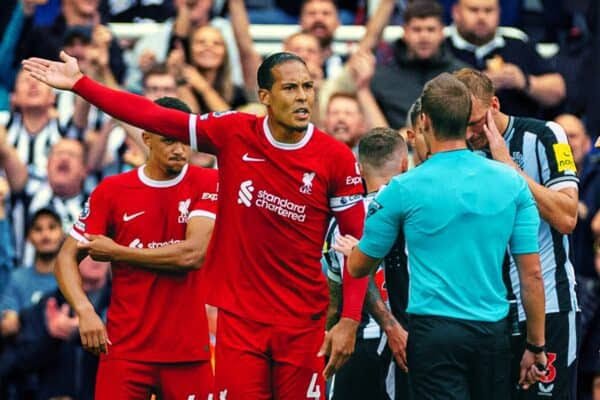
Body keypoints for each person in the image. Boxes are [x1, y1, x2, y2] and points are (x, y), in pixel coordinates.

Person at [23, 50, 368, 399]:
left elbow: (357, 243)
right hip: (240, 320)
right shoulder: (232, 132)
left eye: (308, 87)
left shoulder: (335, 158)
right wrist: (81, 84)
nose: (302, 97)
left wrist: (350, 319)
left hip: (302, 321)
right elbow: (152, 115)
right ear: (264, 96)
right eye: (291, 88)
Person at [347, 73, 547, 400]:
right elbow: (532, 275)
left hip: (433, 333)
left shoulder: (402, 188)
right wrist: (535, 344)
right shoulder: (512, 184)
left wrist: (352, 248)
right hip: (492, 331)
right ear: (469, 121)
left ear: (423, 121)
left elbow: (359, 267)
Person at [55, 96, 218, 399]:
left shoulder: (208, 182)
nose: (179, 149)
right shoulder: (113, 191)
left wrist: (118, 252)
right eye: (169, 140)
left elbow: (192, 255)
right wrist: (85, 310)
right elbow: (65, 257)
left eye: (184, 140)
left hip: (187, 350)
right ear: (146, 138)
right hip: (126, 349)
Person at [454, 68, 579, 399]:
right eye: (460, 124)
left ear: (494, 104)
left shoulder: (546, 135)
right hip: (484, 313)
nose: (469, 133)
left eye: (476, 122)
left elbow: (567, 217)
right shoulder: (456, 152)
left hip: (550, 304)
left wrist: (511, 170)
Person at [323, 128, 409, 400]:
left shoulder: (342, 220)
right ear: (405, 164)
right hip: (411, 339)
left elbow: (334, 294)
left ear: (359, 169)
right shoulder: (416, 211)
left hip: (357, 343)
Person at [447, 0, 566, 118]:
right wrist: (479, 86)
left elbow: (558, 91)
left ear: (499, 12)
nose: (481, 17)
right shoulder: (440, 43)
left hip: (518, 130)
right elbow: (432, 101)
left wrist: (524, 81)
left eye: (488, 11)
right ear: (456, 12)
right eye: (474, 10)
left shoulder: (517, 40)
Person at [370, 0, 467, 128]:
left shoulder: (461, 76)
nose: (424, 36)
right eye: (416, 29)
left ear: (442, 32)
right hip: (396, 145)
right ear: (405, 32)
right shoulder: (379, 78)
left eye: (430, 29)